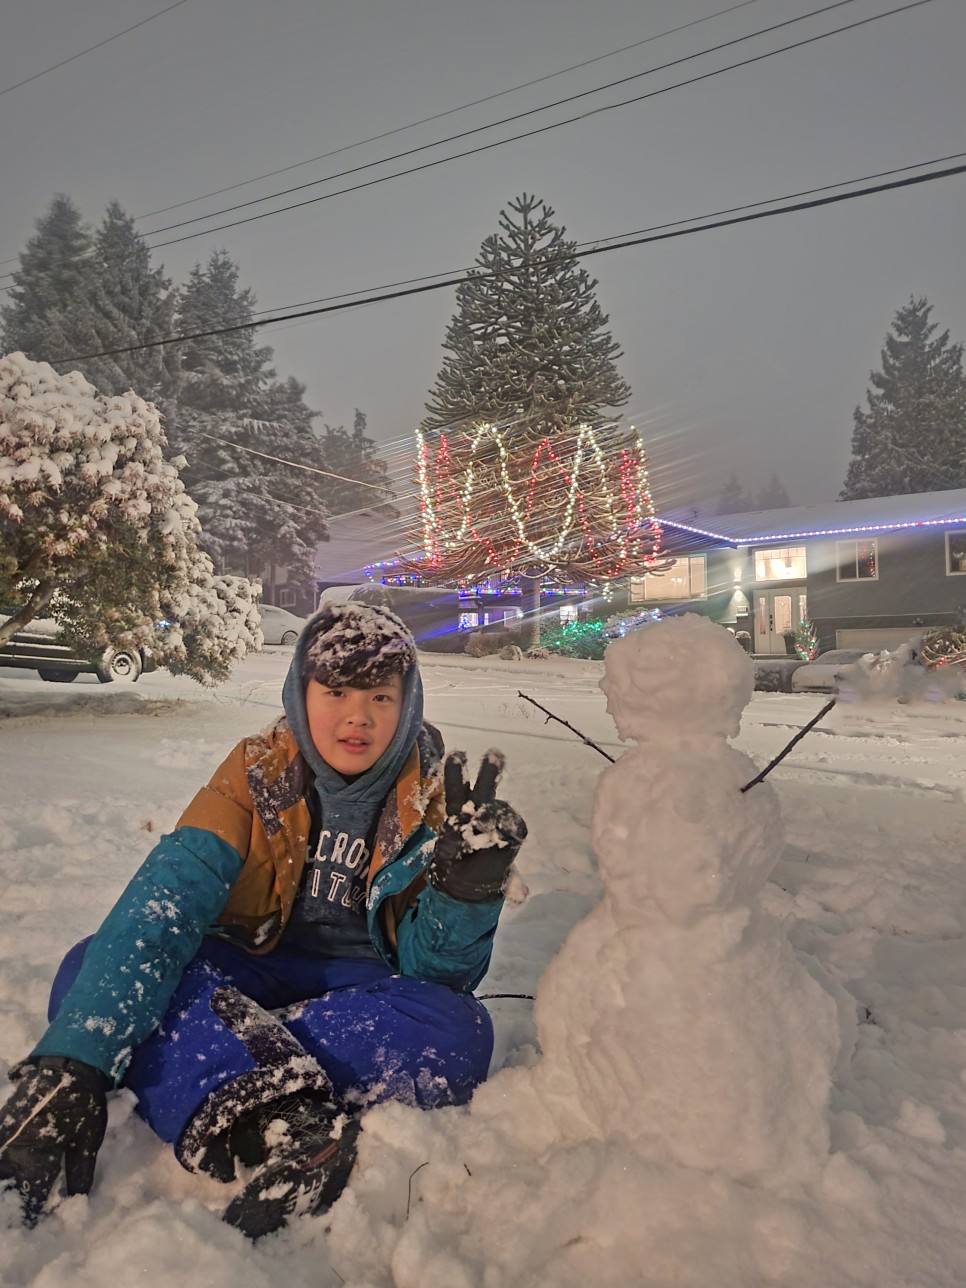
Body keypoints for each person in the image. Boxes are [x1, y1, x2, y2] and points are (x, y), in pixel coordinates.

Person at [0, 603, 527, 1239]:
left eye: (380, 696)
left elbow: (436, 973)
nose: (357, 715)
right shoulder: (256, 773)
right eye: (336, 690)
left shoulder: (434, 797)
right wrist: (73, 1064)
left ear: (407, 703)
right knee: (91, 963)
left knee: (459, 1028)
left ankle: (226, 1062)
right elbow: (167, 898)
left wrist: (466, 892)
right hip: (246, 965)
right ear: (302, 693)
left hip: (361, 988)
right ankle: (288, 1111)